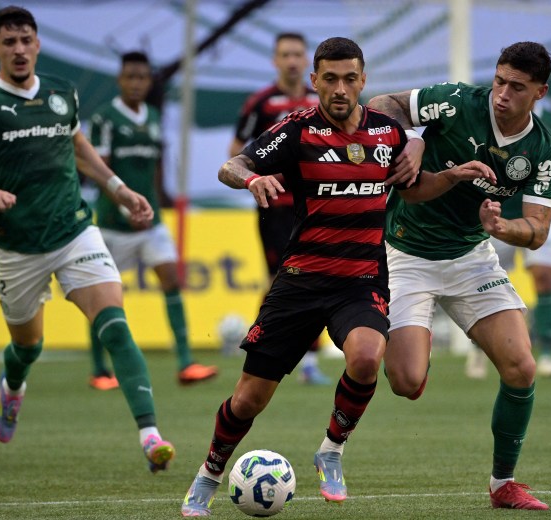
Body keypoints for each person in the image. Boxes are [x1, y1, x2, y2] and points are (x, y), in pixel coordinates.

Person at [180, 36, 493, 517]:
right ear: (315, 82)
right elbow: (232, 164)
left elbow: (410, 191)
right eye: (330, 79)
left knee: (367, 357)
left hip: (360, 281)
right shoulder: (298, 131)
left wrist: (448, 177)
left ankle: (331, 449)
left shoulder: (388, 135)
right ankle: (210, 472)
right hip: (301, 281)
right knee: (248, 400)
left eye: (350, 78)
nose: (340, 88)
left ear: (363, 80)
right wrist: (253, 178)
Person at [0, 5, 175, 473]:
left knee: (115, 323)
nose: (19, 50)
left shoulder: (62, 93)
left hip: (75, 231)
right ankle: (13, 388)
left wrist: (118, 190)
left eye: (26, 40)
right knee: (28, 345)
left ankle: (150, 434)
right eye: (9, 42)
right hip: (18, 248)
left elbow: (78, 147)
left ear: (37, 44)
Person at [368, 41, 551, 510]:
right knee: (406, 382)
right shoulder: (456, 101)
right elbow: (379, 105)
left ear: (540, 92)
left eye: (517, 87)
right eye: (499, 81)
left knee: (522, 367)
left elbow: (536, 232)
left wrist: (500, 228)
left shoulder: (543, 149)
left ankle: (503, 483)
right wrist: (411, 140)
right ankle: (412, 355)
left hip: (470, 257)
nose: (502, 94)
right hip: (405, 252)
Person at [86, 51, 217, 390]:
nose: (135, 83)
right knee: (102, 296)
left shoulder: (155, 116)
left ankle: (186, 363)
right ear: (120, 80)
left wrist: (159, 201)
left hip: (152, 221)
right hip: (115, 223)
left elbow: (156, 165)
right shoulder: (105, 118)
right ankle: (100, 370)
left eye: (141, 77)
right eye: (129, 76)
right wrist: (126, 205)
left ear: (149, 81)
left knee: (172, 279)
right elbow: (100, 170)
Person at [228, 32, 330, 385]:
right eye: (285, 54)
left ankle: (310, 363)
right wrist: (257, 179)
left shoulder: (321, 103)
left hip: (317, 206)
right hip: (276, 208)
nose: (291, 61)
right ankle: (265, 349)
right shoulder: (261, 104)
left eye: (297, 54)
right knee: (281, 281)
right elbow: (237, 151)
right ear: (275, 60)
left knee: (318, 278)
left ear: (307, 62)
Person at [467, 100, 551, 379]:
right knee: (482, 286)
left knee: (545, 278)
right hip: (498, 215)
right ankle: (478, 351)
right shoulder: (492, 116)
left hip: (540, 217)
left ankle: (546, 355)